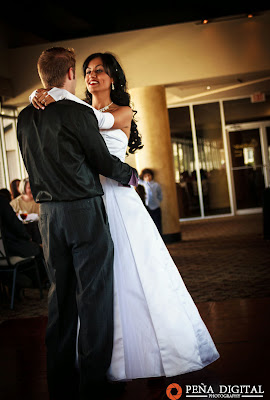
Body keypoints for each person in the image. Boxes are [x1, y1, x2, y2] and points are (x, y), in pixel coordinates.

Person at [31, 51, 219, 384]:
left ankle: (144, 352)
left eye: (100, 71)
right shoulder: (75, 109)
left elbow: (95, 123)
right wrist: (42, 96)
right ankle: (97, 355)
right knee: (91, 282)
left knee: (134, 273)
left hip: (118, 200)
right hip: (85, 202)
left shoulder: (120, 111)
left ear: (113, 77)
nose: (92, 75)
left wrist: (49, 96)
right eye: (88, 71)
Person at [19, 47, 137, 400]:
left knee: (60, 299)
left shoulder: (25, 117)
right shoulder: (76, 113)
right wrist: (130, 175)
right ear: (71, 72)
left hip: (48, 217)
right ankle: (94, 385)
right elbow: (101, 159)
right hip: (83, 211)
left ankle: (59, 382)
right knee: (94, 297)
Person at [139, 168, 163, 233]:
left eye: (149, 175)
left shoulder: (156, 185)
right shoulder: (142, 184)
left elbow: (160, 196)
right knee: (149, 224)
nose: (148, 177)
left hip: (156, 207)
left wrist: (158, 202)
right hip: (147, 207)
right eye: (145, 176)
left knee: (158, 224)